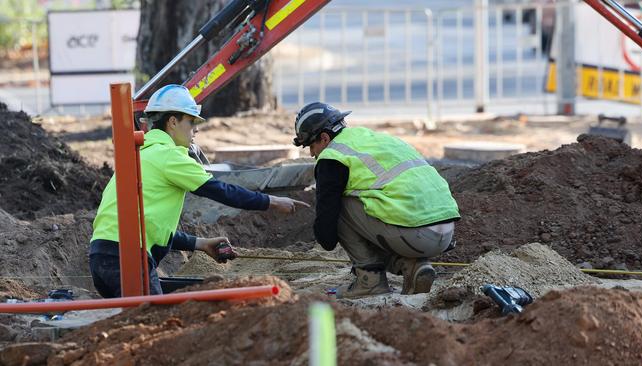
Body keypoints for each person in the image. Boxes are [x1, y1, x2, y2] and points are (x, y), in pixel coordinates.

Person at [89, 84, 309, 298]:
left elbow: (151, 228)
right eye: (192, 122)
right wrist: (272, 201)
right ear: (173, 121)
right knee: (153, 325)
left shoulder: (141, 155)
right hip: (127, 258)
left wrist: (201, 244)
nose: (196, 130)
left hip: (101, 257)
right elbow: (219, 190)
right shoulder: (169, 156)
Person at [293, 102, 460, 299]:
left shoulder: (332, 157)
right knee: (375, 205)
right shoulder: (373, 139)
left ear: (324, 137)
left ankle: (369, 280)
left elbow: (327, 235)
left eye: (311, 146)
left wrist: (331, 237)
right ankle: (412, 266)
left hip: (414, 234)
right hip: (445, 232)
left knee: (341, 205)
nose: (312, 153)